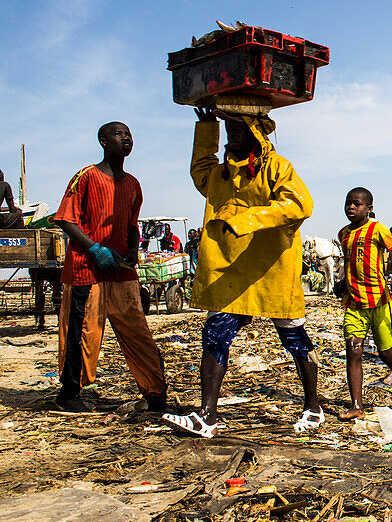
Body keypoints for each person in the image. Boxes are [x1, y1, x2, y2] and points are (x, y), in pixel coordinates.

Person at [163, 109, 318, 438]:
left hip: (272, 266)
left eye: (238, 124)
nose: (231, 130)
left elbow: (299, 205)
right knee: (215, 334)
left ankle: (313, 406)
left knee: (293, 339)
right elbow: (199, 171)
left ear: (256, 131)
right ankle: (206, 415)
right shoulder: (219, 175)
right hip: (232, 271)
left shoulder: (277, 167)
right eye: (227, 124)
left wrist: (247, 220)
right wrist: (206, 126)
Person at [53, 122, 167, 412]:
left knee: (137, 330)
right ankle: (69, 393)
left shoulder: (132, 185)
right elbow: (67, 219)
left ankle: (155, 392)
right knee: (82, 330)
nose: (126, 139)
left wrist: (132, 247)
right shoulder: (86, 177)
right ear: (103, 141)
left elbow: (131, 224)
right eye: (119, 134)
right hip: (86, 267)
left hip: (120, 268)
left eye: (128, 134)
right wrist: (93, 247)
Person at [334, 187, 392, 419]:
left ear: (369, 209)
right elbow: (347, 264)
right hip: (354, 304)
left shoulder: (378, 230)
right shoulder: (343, 234)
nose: (351, 207)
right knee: (353, 350)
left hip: (379, 302)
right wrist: (341, 282)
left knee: (385, 353)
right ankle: (357, 407)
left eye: (357, 204)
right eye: (348, 203)